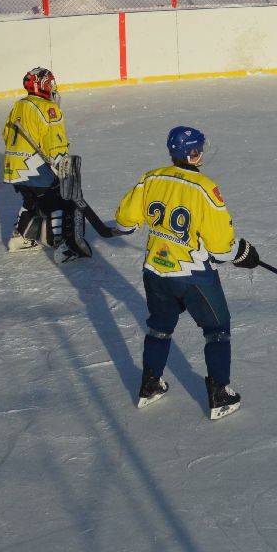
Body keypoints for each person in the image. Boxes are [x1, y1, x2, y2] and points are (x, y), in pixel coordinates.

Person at [115, 126, 260, 419]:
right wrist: (241, 253)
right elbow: (220, 247)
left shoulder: (151, 178)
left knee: (160, 326)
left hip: (155, 271)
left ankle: (150, 385)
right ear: (192, 152)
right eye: (198, 149)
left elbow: (125, 224)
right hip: (193, 276)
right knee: (217, 330)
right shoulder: (205, 187)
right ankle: (220, 396)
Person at [1, 66, 90, 261]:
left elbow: (6, 134)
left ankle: (20, 238)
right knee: (58, 199)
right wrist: (63, 166)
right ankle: (62, 246)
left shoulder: (19, 104)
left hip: (13, 167)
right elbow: (55, 142)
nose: (53, 87)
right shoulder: (49, 108)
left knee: (31, 200)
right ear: (41, 85)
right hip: (33, 165)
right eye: (50, 83)